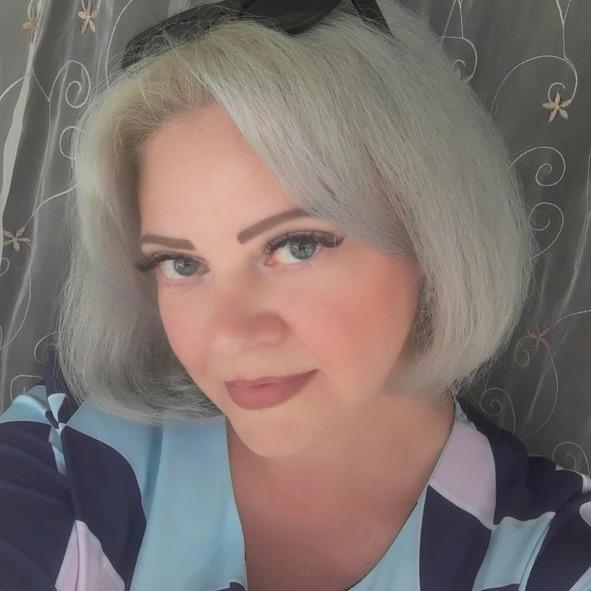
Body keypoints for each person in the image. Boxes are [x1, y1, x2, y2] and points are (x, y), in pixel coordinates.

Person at [1, 1, 590, 590]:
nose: (230, 335)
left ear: (432, 235)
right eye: (182, 264)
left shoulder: (554, 556)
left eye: (297, 246)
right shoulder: (67, 453)